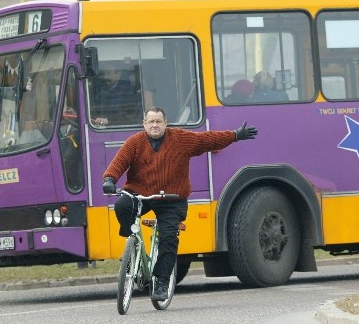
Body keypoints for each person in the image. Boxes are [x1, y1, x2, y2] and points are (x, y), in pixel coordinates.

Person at [102, 107, 258, 301]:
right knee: (122, 206)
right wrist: (109, 179)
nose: (155, 125)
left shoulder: (180, 139)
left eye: (159, 121)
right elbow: (119, 162)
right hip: (141, 194)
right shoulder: (135, 142)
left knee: (168, 238)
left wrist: (235, 135)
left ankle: (161, 282)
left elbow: (207, 140)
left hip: (172, 199)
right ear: (144, 124)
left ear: (166, 124)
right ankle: (131, 239)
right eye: (151, 122)